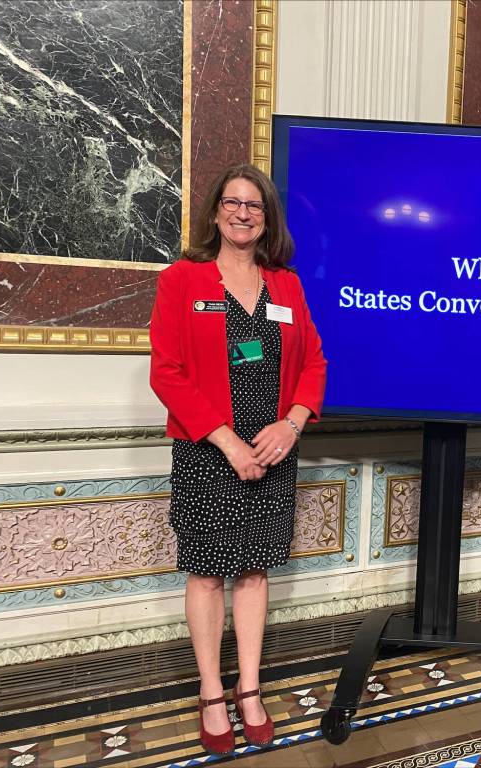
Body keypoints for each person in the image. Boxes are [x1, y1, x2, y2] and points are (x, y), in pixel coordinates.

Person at [149, 164, 326, 754]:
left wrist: (291, 425)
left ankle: (249, 689)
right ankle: (211, 692)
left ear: (267, 217)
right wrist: (226, 441)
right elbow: (167, 373)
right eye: (233, 202)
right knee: (206, 572)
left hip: (273, 453)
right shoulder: (183, 280)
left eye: (255, 205)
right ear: (216, 210)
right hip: (208, 451)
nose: (243, 212)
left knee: (253, 571)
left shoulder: (288, 286)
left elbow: (313, 365)